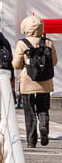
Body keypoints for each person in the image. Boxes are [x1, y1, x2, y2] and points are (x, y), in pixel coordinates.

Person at [14, 15, 57, 148]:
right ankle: (43, 125)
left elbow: (16, 64)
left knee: (29, 111)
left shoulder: (22, 44)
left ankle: (31, 141)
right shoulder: (48, 43)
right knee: (43, 108)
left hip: (27, 82)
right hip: (45, 83)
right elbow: (54, 62)